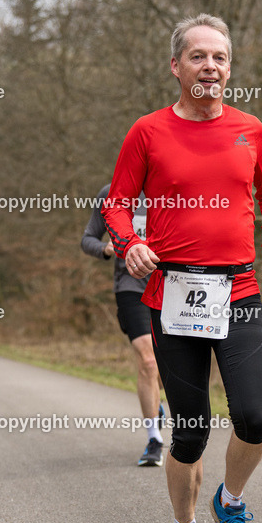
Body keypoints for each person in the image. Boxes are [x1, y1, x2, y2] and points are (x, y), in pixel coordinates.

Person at [102, 13, 262, 523]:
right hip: (173, 293)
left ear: (228, 68)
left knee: (255, 416)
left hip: (237, 290)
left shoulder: (251, 130)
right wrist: (129, 241)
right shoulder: (148, 131)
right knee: (190, 429)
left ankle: (230, 504)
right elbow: (116, 202)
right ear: (176, 66)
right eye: (198, 57)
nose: (209, 66)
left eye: (219, 58)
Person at [82, 184, 166, 467]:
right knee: (147, 360)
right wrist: (105, 247)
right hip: (130, 285)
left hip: (171, 283)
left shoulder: (172, 188)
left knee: (170, 363)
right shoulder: (110, 194)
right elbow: (87, 238)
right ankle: (154, 438)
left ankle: (159, 407)